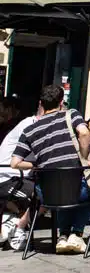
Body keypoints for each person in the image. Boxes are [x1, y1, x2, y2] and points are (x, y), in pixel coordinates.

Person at [9, 84, 90, 254]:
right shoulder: (72, 115)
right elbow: (84, 133)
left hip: (47, 194)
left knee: (61, 190)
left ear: (41, 103)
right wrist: (84, 159)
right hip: (76, 189)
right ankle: (76, 234)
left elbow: (15, 163)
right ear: (62, 102)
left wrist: (37, 165)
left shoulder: (29, 130)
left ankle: (63, 235)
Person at [0, 105, 38, 250]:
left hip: (16, 176)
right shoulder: (30, 126)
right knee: (43, 193)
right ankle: (17, 225)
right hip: (7, 177)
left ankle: (13, 219)